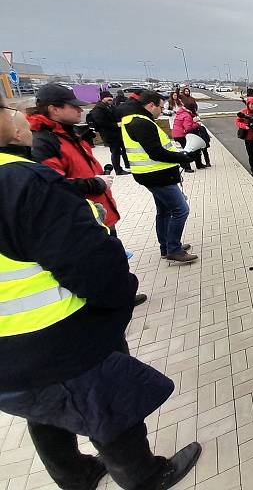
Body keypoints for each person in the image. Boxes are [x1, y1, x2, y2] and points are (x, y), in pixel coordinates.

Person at [0, 92, 202, 490]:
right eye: (9, 110)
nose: (22, 116)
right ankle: (144, 476)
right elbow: (88, 263)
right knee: (106, 408)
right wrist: (120, 296)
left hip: (10, 350)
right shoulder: (19, 179)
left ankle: (75, 475)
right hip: (58, 333)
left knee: (43, 412)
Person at [28, 84, 121, 233]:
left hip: (98, 215)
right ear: (54, 109)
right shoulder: (44, 142)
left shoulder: (69, 134)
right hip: (81, 222)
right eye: (74, 106)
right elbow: (53, 186)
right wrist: (96, 184)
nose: (80, 110)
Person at [121, 91, 198, 263]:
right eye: (160, 107)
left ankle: (166, 246)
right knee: (181, 210)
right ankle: (173, 249)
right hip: (157, 176)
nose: (162, 111)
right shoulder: (140, 122)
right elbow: (156, 152)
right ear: (150, 105)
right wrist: (182, 157)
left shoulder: (133, 119)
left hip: (151, 175)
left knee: (164, 211)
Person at [89, 90, 131, 174]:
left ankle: (128, 165)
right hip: (109, 134)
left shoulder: (111, 106)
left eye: (111, 97)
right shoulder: (98, 109)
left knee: (124, 149)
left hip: (117, 133)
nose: (110, 98)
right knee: (115, 151)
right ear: (102, 99)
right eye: (107, 97)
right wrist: (116, 125)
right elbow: (101, 122)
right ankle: (118, 170)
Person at [171, 99, 205, 172]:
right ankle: (187, 167)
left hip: (176, 134)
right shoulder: (187, 115)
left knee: (188, 150)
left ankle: (198, 164)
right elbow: (188, 128)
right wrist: (196, 123)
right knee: (188, 151)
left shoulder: (180, 113)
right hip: (182, 135)